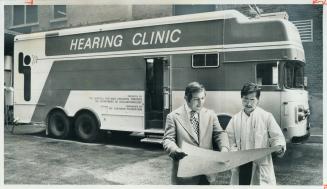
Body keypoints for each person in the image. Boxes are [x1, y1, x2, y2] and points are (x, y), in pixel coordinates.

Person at [163, 81, 230, 185]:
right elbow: (168, 140)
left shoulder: (210, 114)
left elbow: (220, 133)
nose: (200, 103)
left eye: (202, 98)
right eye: (196, 99)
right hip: (185, 176)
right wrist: (175, 150)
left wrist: (224, 148)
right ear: (186, 98)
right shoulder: (173, 117)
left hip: (206, 173)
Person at [225, 82, 286, 185]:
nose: (248, 103)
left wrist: (278, 147)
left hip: (260, 164)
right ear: (241, 98)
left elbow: (277, 137)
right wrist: (235, 152)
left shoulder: (266, 117)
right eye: (245, 99)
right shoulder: (235, 119)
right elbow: (229, 140)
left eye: (252, 99)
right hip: (241, 165)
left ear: (258, 100)